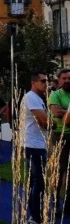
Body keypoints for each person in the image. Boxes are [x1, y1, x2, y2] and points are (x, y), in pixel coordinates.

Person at [22, 72, 52, 224]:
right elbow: (46, 122)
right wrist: (51, 119)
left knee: (35, 181)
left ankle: (34, 214)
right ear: (34, 82)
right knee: (38, 182)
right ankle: (35, 217)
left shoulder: (38, 99)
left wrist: (47, 120)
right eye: (43, 81)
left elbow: (44, 122)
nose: (46, 83)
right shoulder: (31, 97)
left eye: (47, 80)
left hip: (36, 144)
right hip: (33, 145)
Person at [48, 68, 70, 214]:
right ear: (59, 80)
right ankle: (56, 204)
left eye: (69, 78)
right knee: (59, 170)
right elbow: (56, 112)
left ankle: (67, 204)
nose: (67, 81)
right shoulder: (55, 94)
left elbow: (64, 114)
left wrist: (65, 111)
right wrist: (66, 113)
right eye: (64, 78)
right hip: (60, 136)